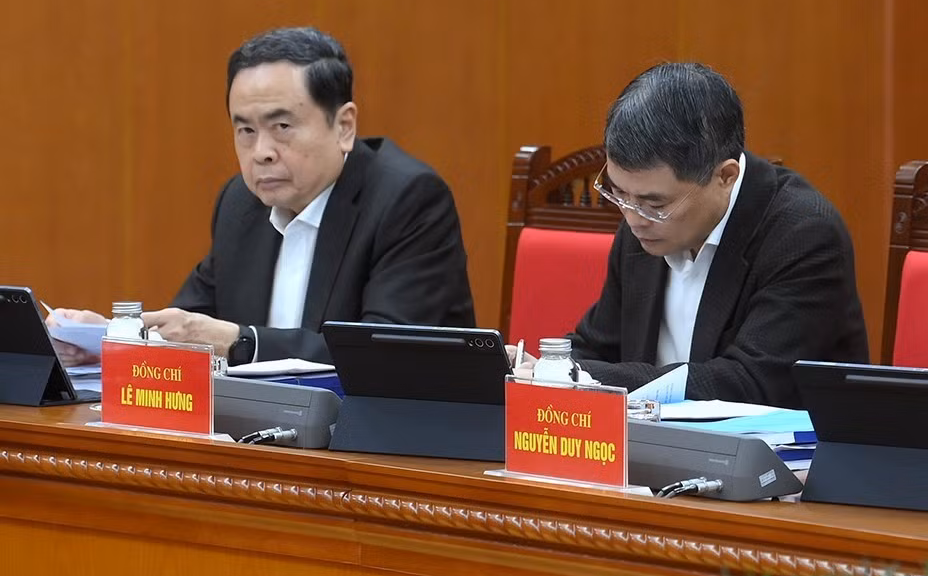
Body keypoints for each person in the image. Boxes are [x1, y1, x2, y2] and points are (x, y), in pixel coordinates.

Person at [48, 26, 475, 366]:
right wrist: (109, 340)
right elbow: (187, 327)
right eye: (245, 130)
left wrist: (241, 343)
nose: (261, 152)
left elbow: (385, 358)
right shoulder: (241, 203)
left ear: (344, 126)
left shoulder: (407, 201)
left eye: (282, 127)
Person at [555, 61, 868, 405]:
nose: (632, 218)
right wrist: (541, 370)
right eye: (619, 193)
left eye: (654, 202)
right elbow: (599, 346)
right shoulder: (643, 220)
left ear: (726, 177)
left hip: (782, 454)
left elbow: (748, 383)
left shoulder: (803, 236)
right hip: (655, 447)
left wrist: (579, 377)